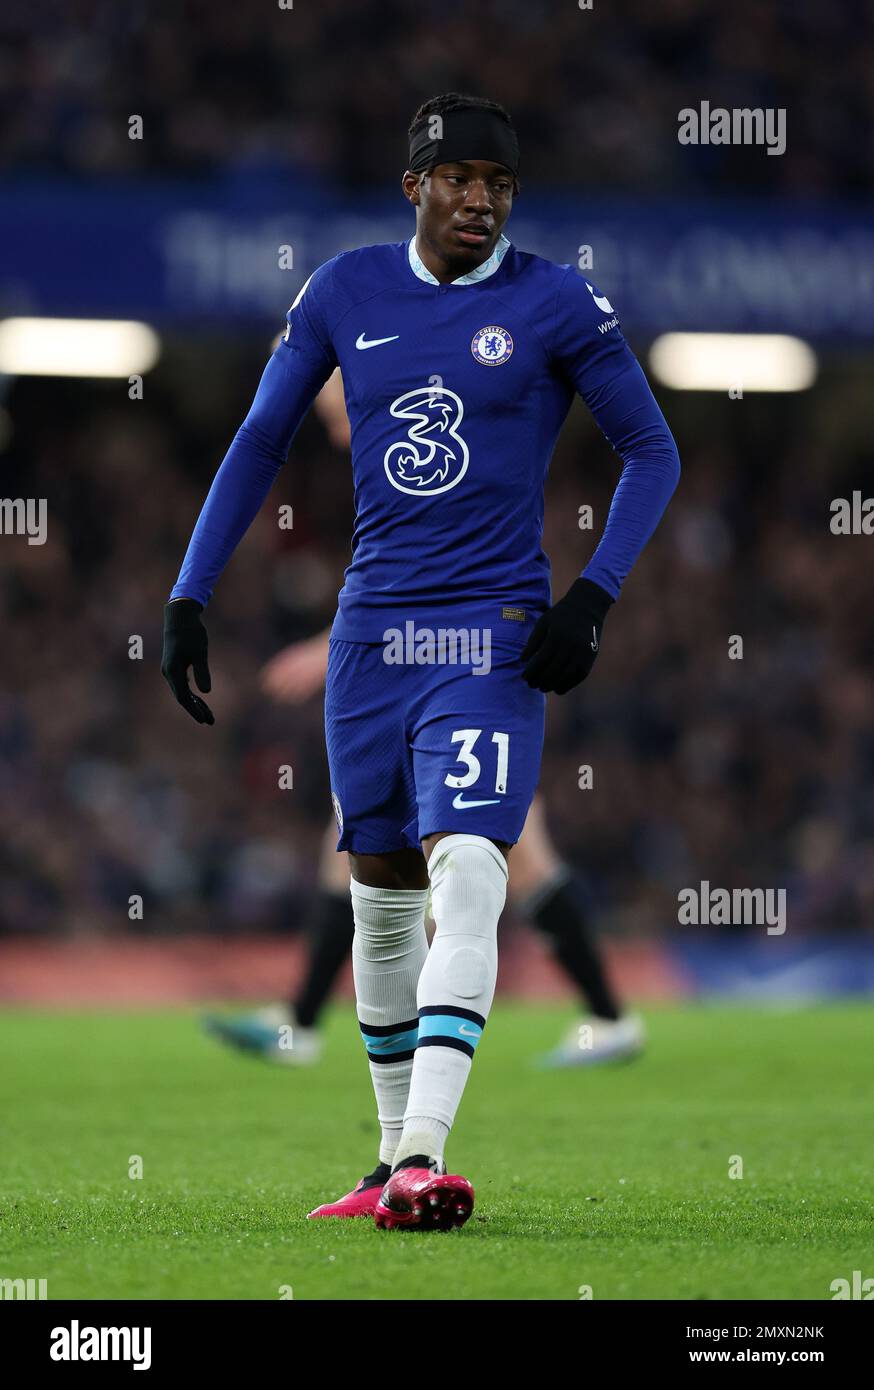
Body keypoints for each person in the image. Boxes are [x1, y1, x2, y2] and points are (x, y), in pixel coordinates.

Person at [162, 92, 680, 1231]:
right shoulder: (344, 288)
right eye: (462, 179)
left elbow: (652, 447)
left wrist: (591, 595)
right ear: (416, 187)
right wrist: (190, 590)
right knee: (383, 899)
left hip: (492, 633)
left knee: (474, 867)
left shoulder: (555, 300)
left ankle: (427, 1152)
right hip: (372, 637)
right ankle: (393, 1158)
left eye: (500, 183)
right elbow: (259, 439)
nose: (482, 200)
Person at [205, 371, 645, 1071]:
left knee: (511, 847)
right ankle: (303, 1020)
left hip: (474, 672)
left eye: (338, 413)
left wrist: (333, 649)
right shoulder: (411, 452)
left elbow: (443, 579)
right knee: (373, 838)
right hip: (451, 670)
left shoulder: (430, 452)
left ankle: (606, 1016)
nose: (339, 431)